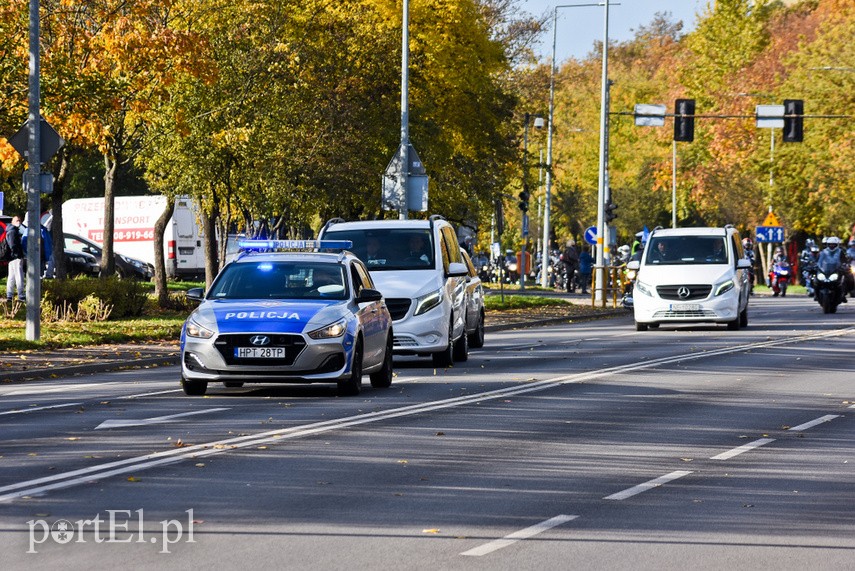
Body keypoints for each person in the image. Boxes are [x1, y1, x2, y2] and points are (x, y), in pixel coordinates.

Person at [5, 215, 26, 302]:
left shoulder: (11, 230)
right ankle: (21, 295)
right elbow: (12, 245)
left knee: (12, 277)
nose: (19, 222)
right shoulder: (13, 231)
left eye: (20, 220)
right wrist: (17, 254)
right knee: (19, 276)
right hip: (15, 257)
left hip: (11, 257)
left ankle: (9, 295)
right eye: (17, 220)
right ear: (12, 222)